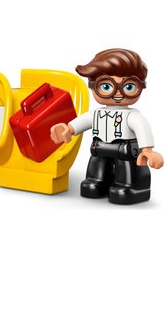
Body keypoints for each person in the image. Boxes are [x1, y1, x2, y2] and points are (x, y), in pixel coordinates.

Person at [50, 48, 163, 204]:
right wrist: (68, 129)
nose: (118, 94)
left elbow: (142, 129)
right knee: (97, 163)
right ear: (93, 86)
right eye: (106, 87)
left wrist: (147, 150)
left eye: (128, 87)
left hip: (124, 149)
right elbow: (82, 121)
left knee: (127, 167)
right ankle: (97, 181)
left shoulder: (133, 116)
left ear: (140, 86)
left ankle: (130, 186)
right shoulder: (96, 113)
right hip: (99, 146)